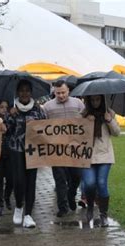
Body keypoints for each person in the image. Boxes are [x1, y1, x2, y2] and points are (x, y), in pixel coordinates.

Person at [5, 80, 46, 228]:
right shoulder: (12, 109)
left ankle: (28, 214)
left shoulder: (38, 110)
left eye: (27, 90)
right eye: (21, 90)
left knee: (31, 182)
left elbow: (46, 130)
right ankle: (18, 207)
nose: (24, 93)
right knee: (19, 181)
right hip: (16, 150)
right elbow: (5, 131)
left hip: (33, 151)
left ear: (31, 92)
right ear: (17, 93)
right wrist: (10, 116)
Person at [43, 80, 84, 217]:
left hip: (75, 149)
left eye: (63, 92)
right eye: (58, 93)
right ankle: (62, 207)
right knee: (60, 179)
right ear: (54, 92)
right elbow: (42, 126)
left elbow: (86, 123)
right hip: (56, 150)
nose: (61, 95)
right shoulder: (47, 107)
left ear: (69, 91)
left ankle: (71, 194)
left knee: (77, 176)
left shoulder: (78, 104)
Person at [81, 94, 120, 227]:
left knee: (102, 183)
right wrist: (87, 122)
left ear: (102, 100)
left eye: (98, 99)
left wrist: (109, 120)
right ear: (88, 101)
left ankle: (104, 214)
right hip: (88, 155)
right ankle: (90, 206)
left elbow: (117, 132)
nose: (95, 102)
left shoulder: (109, 113)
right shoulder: (83, 114)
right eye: (92, 100)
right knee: (89, 183)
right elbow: (76, 134)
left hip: (104, 155)